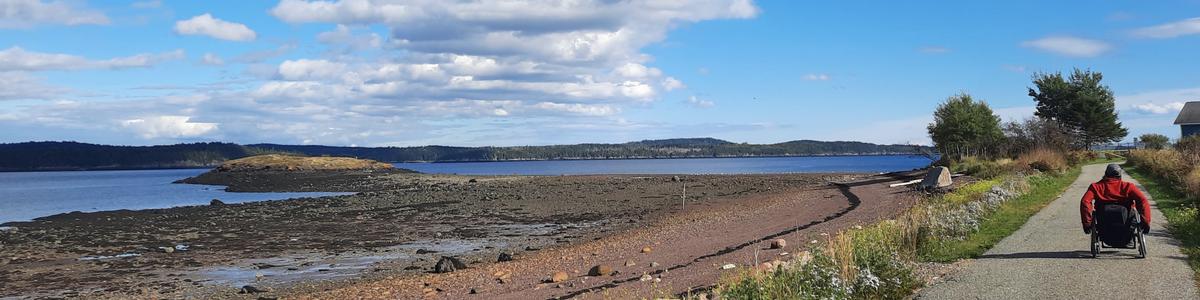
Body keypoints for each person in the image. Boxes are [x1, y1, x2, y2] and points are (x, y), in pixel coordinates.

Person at [1080, 164, 1151, 234]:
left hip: (1104, 227)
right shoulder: (1128, 186)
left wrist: (1087, 224)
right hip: (1127, 226)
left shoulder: (1095, 187)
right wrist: (1146, 222)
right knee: (1132, 210)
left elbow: (1085, 202)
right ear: (1120, 175)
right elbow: (1142, 201)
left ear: (1106, 174)